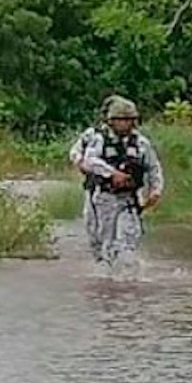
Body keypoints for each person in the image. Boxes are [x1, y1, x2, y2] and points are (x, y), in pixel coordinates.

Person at [78, 97, 164, 273]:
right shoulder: (99, 139)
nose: (125, 124)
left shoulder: (141, 143)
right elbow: (89, 161)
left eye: (129, 120)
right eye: (121, 120)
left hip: (129, 199)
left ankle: (129, 274)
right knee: (103, 240)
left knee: (129, 239)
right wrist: (112, 173)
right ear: (111, 121)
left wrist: (155, 190)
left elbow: (153, 168)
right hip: (104, 198)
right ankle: (106, 274)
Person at [71, 94, 122, 259]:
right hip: (94, 186)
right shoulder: (92, 134)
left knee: (113, 229)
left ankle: (114, 259)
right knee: (91, 224)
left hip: (119, 190)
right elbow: (75, 151)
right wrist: (80, 162)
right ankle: (100, 259)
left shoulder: (131, 138)